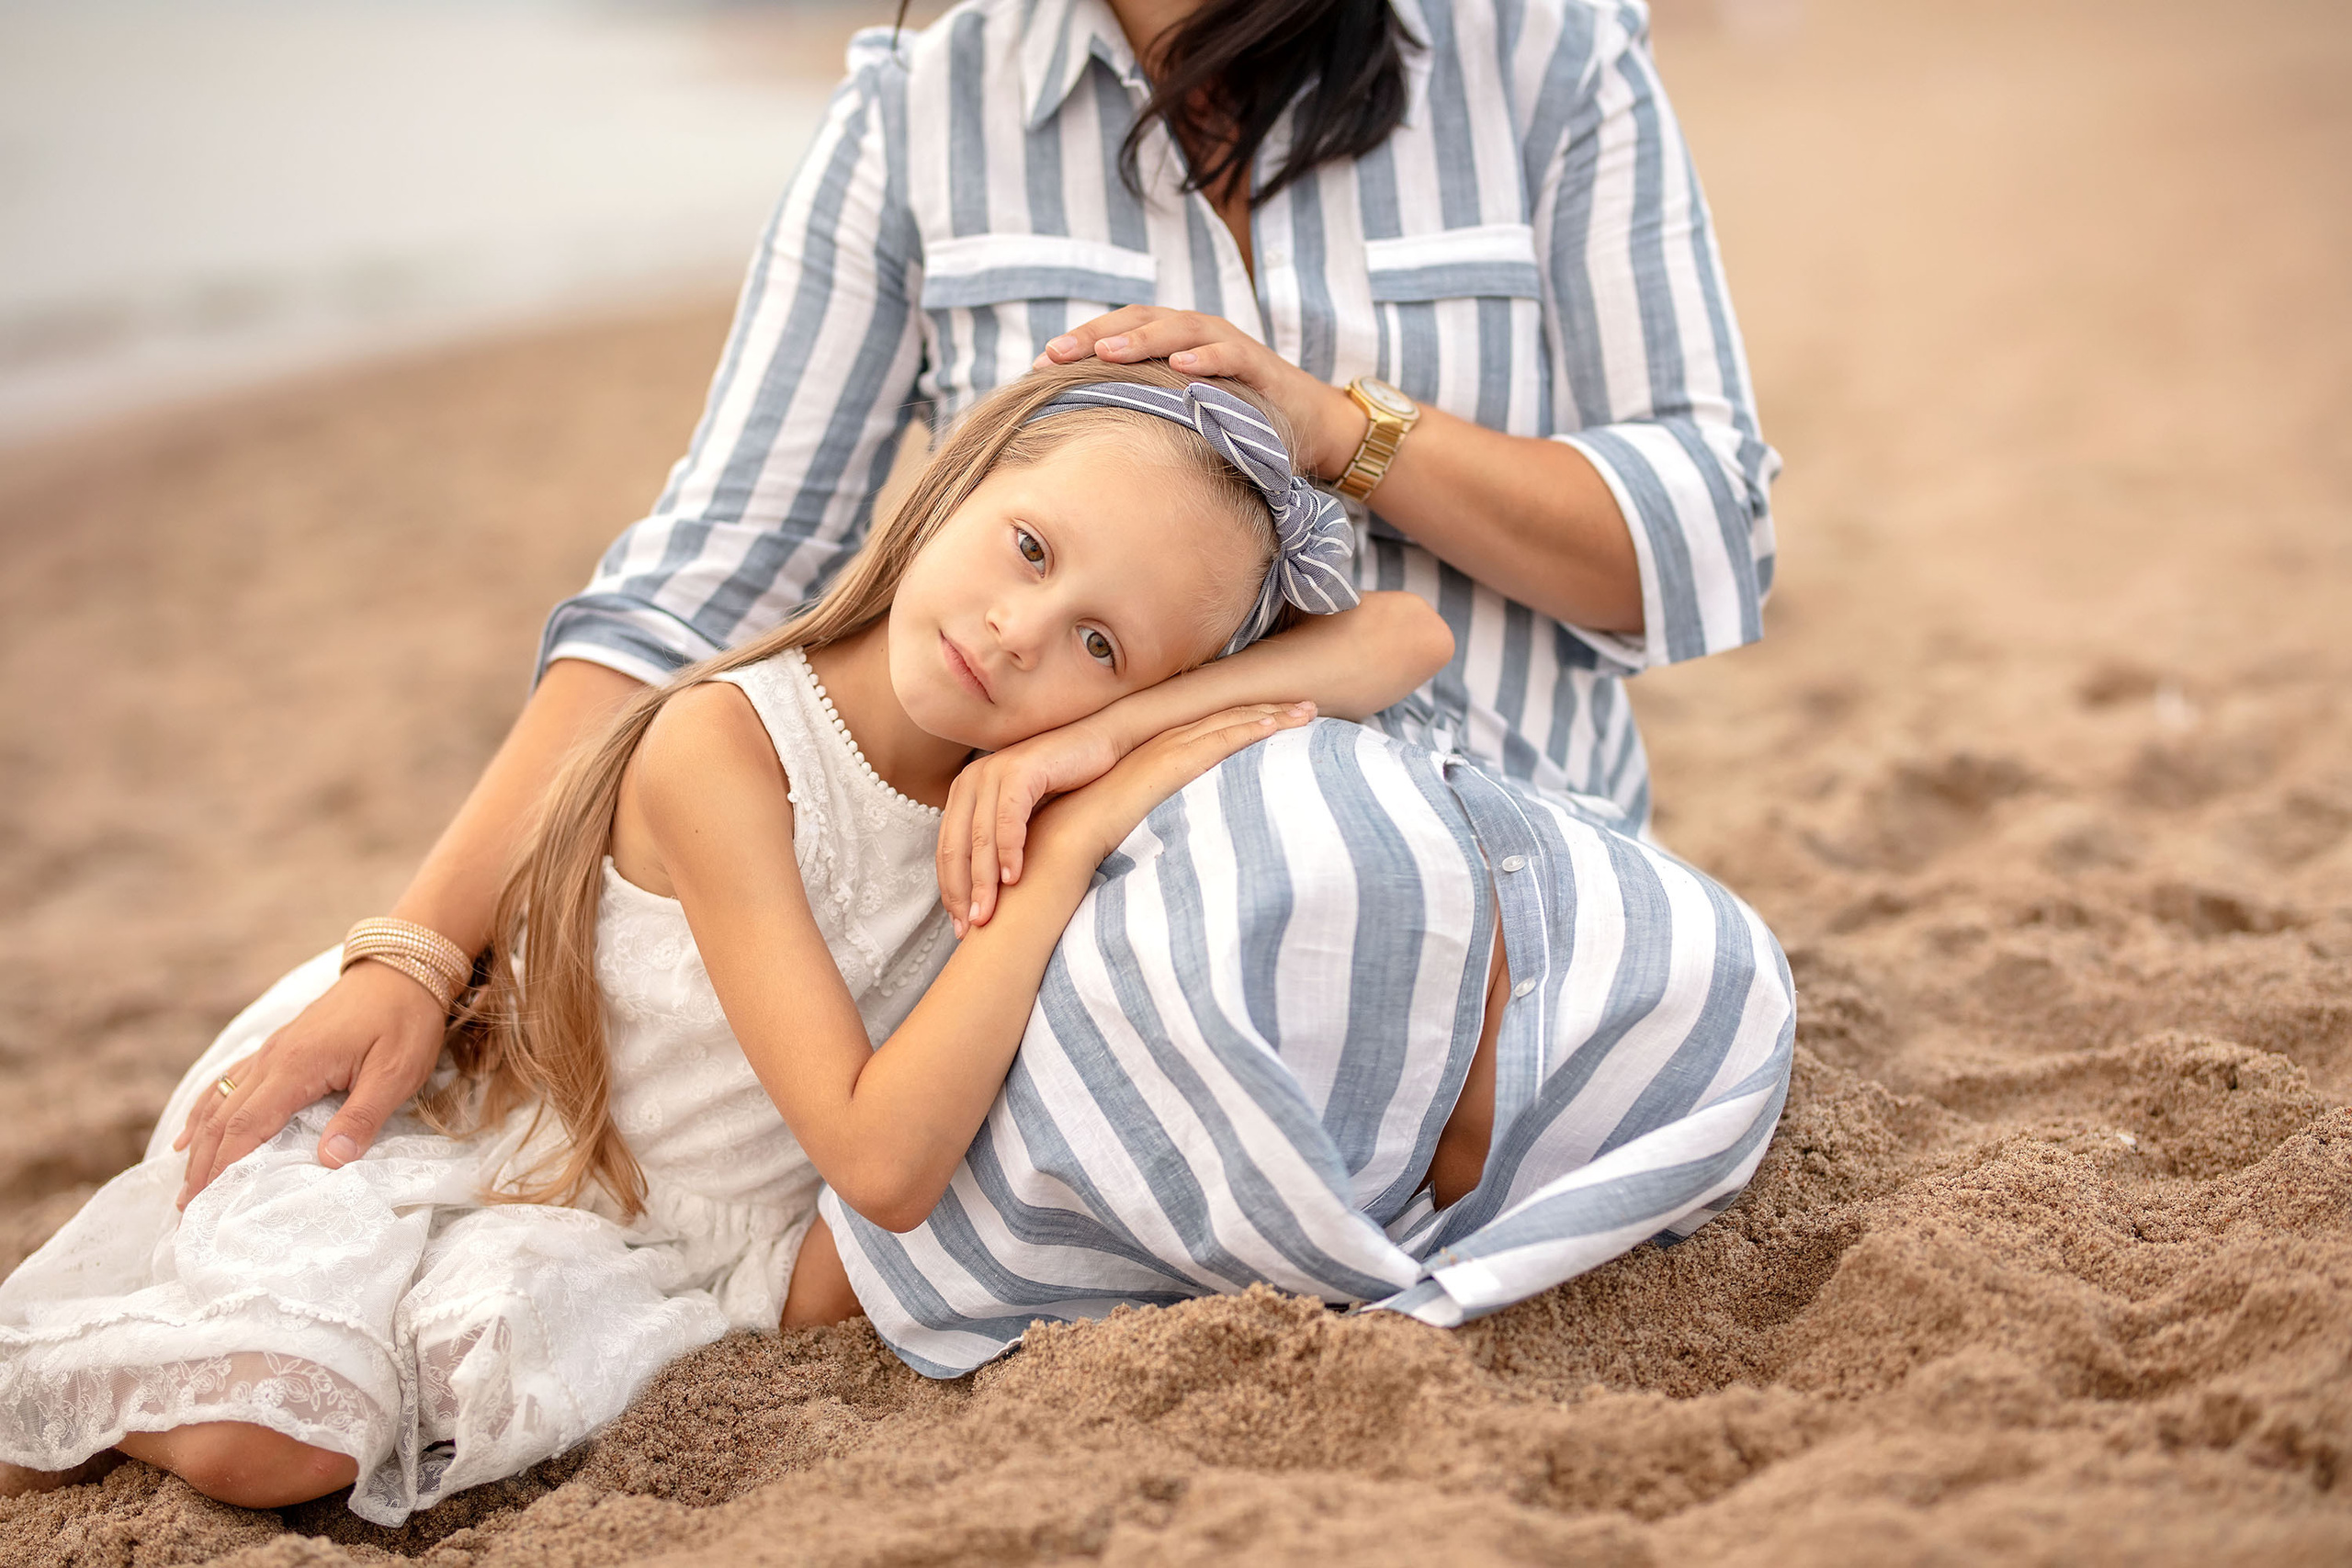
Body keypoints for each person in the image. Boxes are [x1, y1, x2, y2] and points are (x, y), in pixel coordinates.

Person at [0, 360, 1455, 1520]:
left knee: (386, 1410)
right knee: (277, 1441)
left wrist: (1110, 747)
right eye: (1027, 549)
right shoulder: (726, 747)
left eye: (1102, 643)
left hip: (667, 1229)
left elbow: (1401, 638)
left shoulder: (1024, 765)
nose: (1021, 633)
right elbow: (882, 1164)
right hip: (467, 1128)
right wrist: (1077, 832)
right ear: (957, 485)